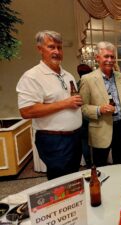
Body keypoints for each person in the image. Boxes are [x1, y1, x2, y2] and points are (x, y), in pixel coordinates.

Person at [16, 30, 83, 180]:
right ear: (40, 49)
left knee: (73, 177)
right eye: (51, 47)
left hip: (74, 138)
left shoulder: (67, 75)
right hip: (54, 140)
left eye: (59, 47)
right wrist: (65, 103)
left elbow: (70, 100)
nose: (57, 51)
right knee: (60, 181)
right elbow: (26, 111)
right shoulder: (32, 76)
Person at [79, 41, 121, 166]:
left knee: (120, 164)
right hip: (101, 129)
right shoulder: (87, 79)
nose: (110, 60)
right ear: (97, 58)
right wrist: (99, 109)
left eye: (112, 57)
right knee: (100, 166)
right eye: (106, 56)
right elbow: (83, 108)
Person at [77, 64, 93, 168]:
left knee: (85, 142)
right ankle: (93, 163)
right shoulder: (92, 83)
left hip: (80, 117)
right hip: (92, 116)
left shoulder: (76, 84)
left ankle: (88, 164)